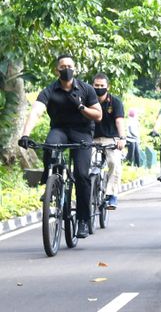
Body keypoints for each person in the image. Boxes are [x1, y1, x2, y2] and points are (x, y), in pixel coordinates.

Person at [18, 54, 102, 239]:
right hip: (60, 130)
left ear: (75, 68)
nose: (66, 69)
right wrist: (25, 134)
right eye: (63, 67)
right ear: (57, 70)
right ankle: (50, 183)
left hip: (82, 132)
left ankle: (82, 220)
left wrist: (81, 108)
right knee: (49, 145)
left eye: (69, 66)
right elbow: (36, 111)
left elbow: (98, 115)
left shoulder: (86, 89)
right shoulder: (49, 91)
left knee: (81, 175)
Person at [92, 73, 126, 210]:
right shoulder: (87, 101)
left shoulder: (115, 102)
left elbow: (119, 121)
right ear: (92, 86)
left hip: (110, 139)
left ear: (108, 87)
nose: (99, 88)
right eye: (96, 86)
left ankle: (111, 195)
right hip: (91, 140)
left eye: (102, 86)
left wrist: (122, 138)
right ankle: (88, 193)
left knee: (114, 163)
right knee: (86, 164)